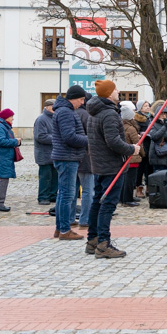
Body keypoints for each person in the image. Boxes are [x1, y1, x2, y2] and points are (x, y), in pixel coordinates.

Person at [85, 80, 140, 258]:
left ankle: (92, 240)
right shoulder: (108, 113)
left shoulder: (95, 111)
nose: (118, 91)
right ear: (109, 93)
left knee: (97, 201)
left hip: (100, 164)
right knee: (107, 204)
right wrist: (132, 149)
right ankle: (103, 244)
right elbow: (113, 141)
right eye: (115, 89)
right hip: (110, 166)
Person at [52, 85, 90, 239]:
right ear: (73, 98)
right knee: (67, 195)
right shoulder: (66, 112)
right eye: (81, 99)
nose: (82, 103)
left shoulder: (63, 110)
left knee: (63, 194)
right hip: (67, 157)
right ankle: (64, 230)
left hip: (66, 157)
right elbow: (69, 137)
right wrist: (89, 140)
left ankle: (60, 228)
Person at [0, 108, 21, 212]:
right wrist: (15, 141)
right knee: (1, 180)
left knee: (1, 180)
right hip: (0, 158)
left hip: (3, 157)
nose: (13, 119)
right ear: (6, 117)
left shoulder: (1, 126)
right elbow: (0, 141)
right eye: (11, 117)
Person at [75, 93, 94, 231]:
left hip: (72, 157)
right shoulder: (86, 116)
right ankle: (85, 219)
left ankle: (70, 218)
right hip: (86, 157)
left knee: (72, 190)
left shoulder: (72, 113)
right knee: (88, 190)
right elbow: (91, 137)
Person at [33, 98, 57, 205]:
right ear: (47, 107)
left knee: (55, 177)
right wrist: (57, 138)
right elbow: (40, 136)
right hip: (44, 154)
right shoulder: (41, 119)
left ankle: (53, 195)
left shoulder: (55, 118)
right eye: (53, 106)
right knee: (45, 177)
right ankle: (43, 196)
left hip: (54, 153)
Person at [120, 101, 142, 207]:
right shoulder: (131, 128)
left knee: (125, 179)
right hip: (132, 157)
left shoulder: (121, 126)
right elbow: (136, 143)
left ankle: (124, 197)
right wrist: (142, 153)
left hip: (124, 156)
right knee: (130, 180)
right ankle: (127, 199)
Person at [148, 104, 167, 181]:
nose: (163, 115)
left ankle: (166, 191)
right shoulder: (153, 124)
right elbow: (154, 136)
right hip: (157, 154)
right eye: (161, 113)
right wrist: (164, 127)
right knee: (158, 177)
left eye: (165, 113)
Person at [134, 100, 153, 198]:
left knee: (149, 168)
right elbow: (136, 130)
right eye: (145, 106)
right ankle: (139, 187)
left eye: (148, 105)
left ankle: (149, 186)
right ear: (140, 107)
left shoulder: (150, 117)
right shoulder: (137, 118)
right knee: (140, 168)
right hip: (142, 145)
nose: (148, 107)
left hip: (150, 145)